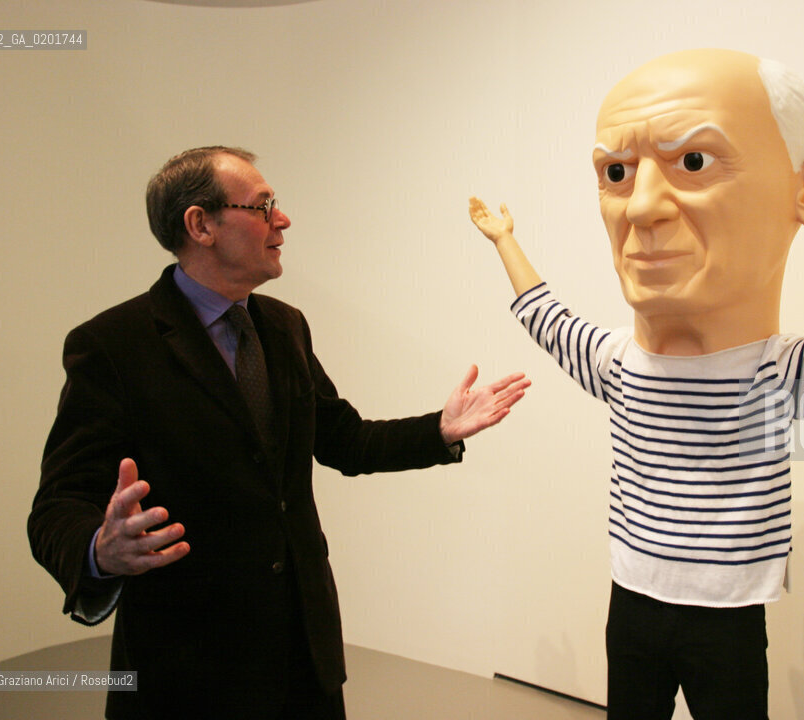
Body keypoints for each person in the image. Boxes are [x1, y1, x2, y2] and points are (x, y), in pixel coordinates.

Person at [469, 48, 804, 719]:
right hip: (633, 598)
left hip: (727, 612)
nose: (642, 208)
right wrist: (505, 241)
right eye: (615, 172)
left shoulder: (775, 373)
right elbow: (546, 317)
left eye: (693, 162)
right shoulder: (620, 367)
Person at [29, 145, 531, 720]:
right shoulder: (114, 345)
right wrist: (100, 550)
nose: (282, 220)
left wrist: (438, 431)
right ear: (201, 225)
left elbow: (344, 440)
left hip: (302, 658)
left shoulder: (284, 326)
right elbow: (56, 506)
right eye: (263, 205)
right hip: (187, 676)